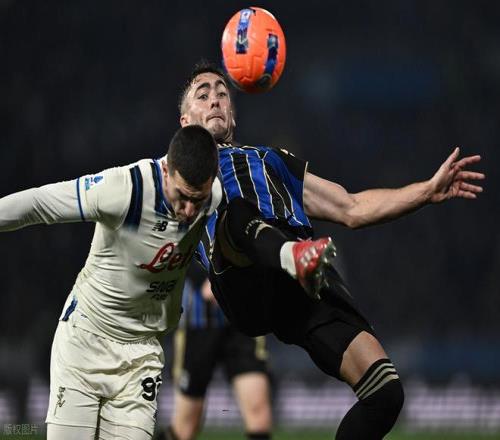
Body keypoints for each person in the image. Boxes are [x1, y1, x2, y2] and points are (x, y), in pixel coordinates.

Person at [177, 61, 485, 439]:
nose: (215, 100)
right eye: (203, 95)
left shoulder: (272, 161)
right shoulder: (174, 174)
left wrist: (426, 191)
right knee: (237, 214)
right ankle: (292, 255)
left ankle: (297, 259)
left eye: (222, 94)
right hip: (241, 278)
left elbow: (351, 208)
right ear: (185, 121)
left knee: (385, 395)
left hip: (301, 281)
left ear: (233, 115)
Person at [0, 125, 222, 440]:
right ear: (166, 170)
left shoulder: (214, 197)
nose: (188, 211)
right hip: (86, 341)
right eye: (182, 196)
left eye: (197, 200)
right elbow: (39, 203)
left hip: (142, 354)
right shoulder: (125, 189)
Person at [156, 277, 272, 440]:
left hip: (243, 323)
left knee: (259, 418)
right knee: (185, 429)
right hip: (198, 323)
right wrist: (205, 278)